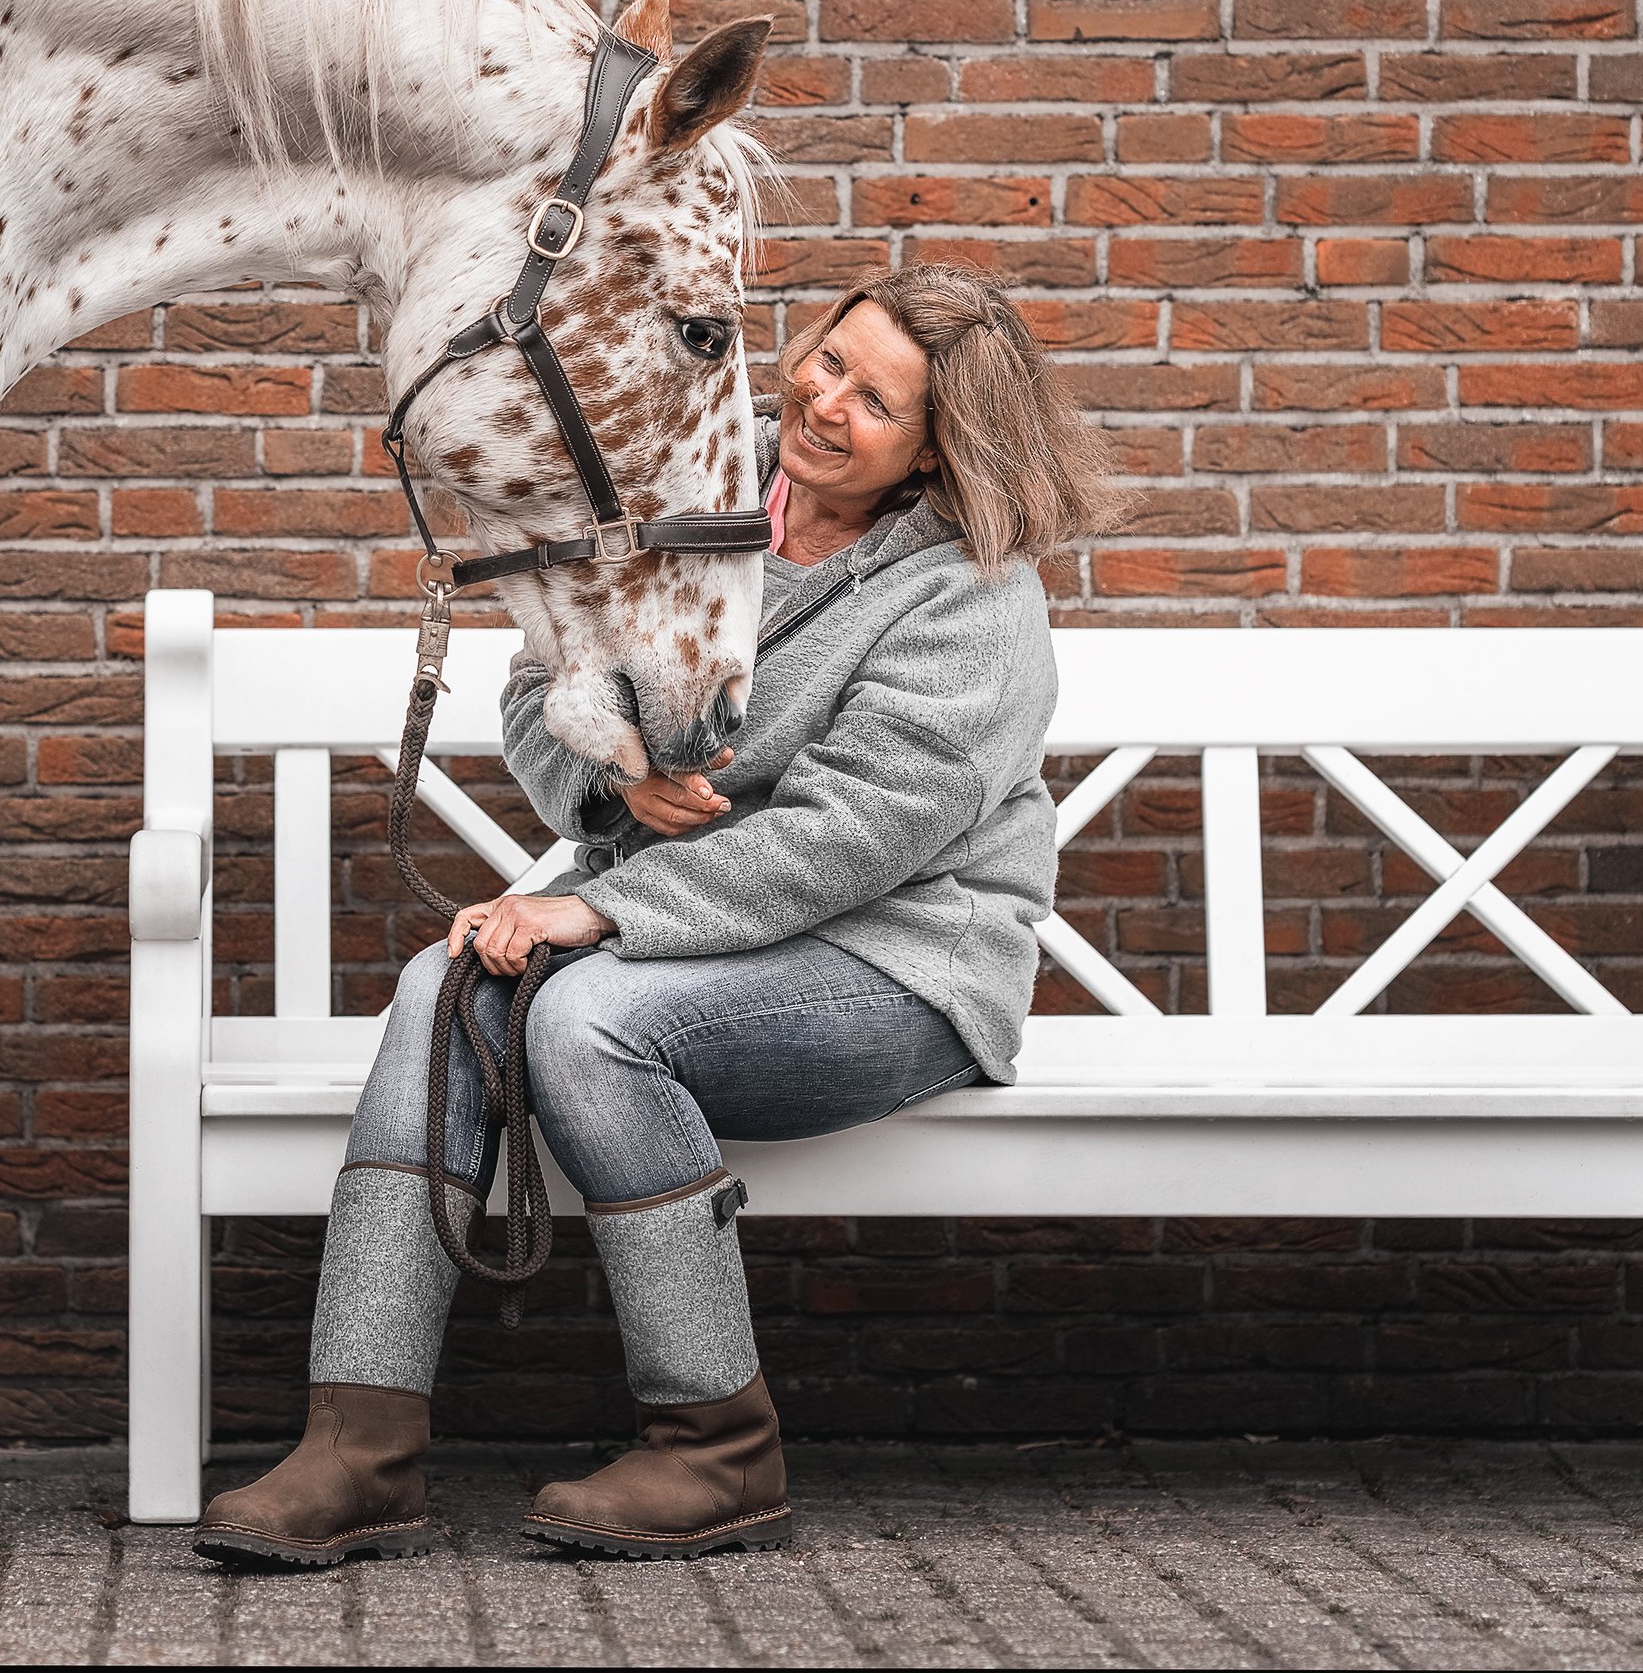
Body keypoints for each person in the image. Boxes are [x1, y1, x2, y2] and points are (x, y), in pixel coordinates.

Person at [196, 263, 1118, 1565]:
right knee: (438, 985)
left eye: (875, 400)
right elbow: (543, 679)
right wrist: (614, 764)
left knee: (586, 1023)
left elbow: (846, 842)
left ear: (932, 453)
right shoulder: (688, 491)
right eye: (827, 361)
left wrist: (604, 914)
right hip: (674, 927)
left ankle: (717, 1447)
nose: (823, 400)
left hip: (898, 963)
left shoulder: (972, 600)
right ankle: (359, 1447)